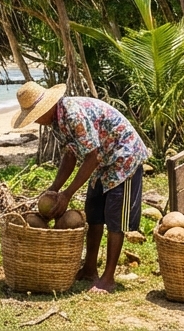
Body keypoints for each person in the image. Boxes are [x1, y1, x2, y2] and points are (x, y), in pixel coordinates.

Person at [11, 81, 149, 294]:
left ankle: (108, 278)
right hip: (104, 161)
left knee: (114, 219)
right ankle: (89, 268)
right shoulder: (56, 122)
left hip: (124, 157)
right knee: (94, 213)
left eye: (35, 115)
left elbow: (92, 157)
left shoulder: (73, 115)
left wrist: (67, 194)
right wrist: (54, 188)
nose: (36, 120)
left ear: (45, 108)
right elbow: (70, 155)